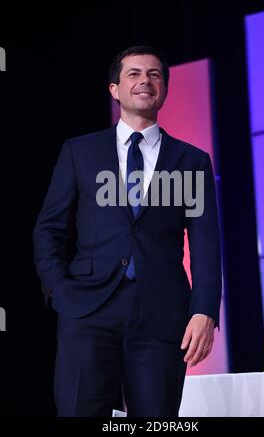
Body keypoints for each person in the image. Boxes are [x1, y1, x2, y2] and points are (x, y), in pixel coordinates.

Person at [33, 45, 222, 417]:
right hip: (87, 310)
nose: (144, 81)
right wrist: (58, 288)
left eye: (154, 74)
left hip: (161, 315)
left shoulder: (192, 161)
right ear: (115, 89)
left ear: (164, 90)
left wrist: (204, 310)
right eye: (133, 73)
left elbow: (205, 239)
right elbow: (49, 228)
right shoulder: (79, 152)